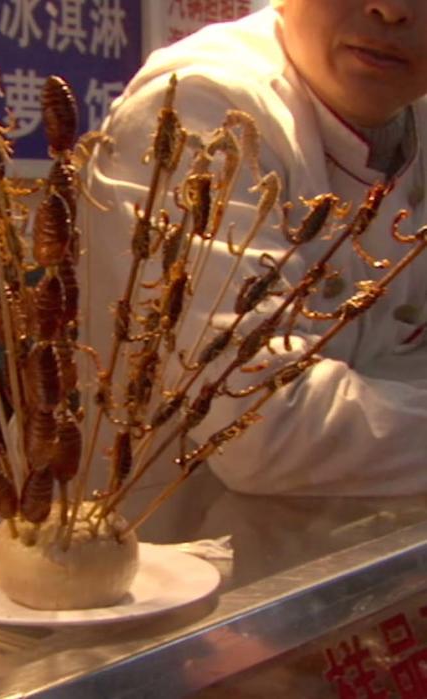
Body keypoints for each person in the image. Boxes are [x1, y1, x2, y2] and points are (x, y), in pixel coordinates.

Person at [78, 0, 427, 497]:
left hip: (345, 541)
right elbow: (258, 425)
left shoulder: (415, 116)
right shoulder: (205, 105)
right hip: (146, 542)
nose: (391, 11)